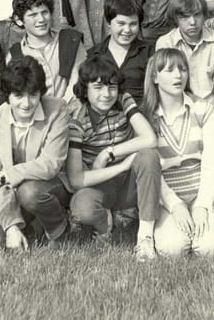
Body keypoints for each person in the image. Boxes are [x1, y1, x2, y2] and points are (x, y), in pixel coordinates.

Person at [67, 56, 162, 261]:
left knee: (149, 156)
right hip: (99, 184)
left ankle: (145, 237)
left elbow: (150, 138)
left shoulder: (123, 99)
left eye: (112, 87)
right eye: (98, 87)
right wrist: (120, 167)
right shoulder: (77, 119)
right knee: (83, 209)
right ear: (85, 89)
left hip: (129, 182)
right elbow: (76, 179)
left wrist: (107, 153)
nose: (107, 94)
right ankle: (105, 223)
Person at [0, 57, 71, 251]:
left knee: (29, 193)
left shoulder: (57, 109)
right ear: (7, 95)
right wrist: (11, 226)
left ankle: (59, 229)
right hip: (9, 189)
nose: (26, 103)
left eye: (33, 95)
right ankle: (31, 226)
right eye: (18, 96)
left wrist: (1, 176)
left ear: (41, 93)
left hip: (48, 186)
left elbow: (50, 165)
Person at [154, 0, 214, 205]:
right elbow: (167, 90)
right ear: (175, 18)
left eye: (197, 15)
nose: (192, 22)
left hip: (212, 114)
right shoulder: (165, 42)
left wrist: (208, 121)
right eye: (185, 17)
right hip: (178, 117)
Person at [141, 48, 214, 256]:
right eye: (169, 70)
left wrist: (202, 205)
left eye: (182, 69)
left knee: (208, 248)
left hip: (204, 190)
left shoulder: (203, 109)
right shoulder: (145, 117)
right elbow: (151, 173)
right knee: (173, 249)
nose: (178, 75)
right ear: (155, 77)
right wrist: (175, 206)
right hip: (168, 195)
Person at [5, 0, 85, 104]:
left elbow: (78, 81)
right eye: (33, 15)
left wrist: (62, 109)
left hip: (71, 109)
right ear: (19, 20)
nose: (41, 19)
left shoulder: (70, 40)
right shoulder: (15, 55)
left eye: (44, 12)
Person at [86, 0, 150, 104]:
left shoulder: (149, 52)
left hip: (141, 112)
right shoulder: (92, 56)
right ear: (108, 23)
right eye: (121, 23)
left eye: (133, 24)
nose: (127, 30)